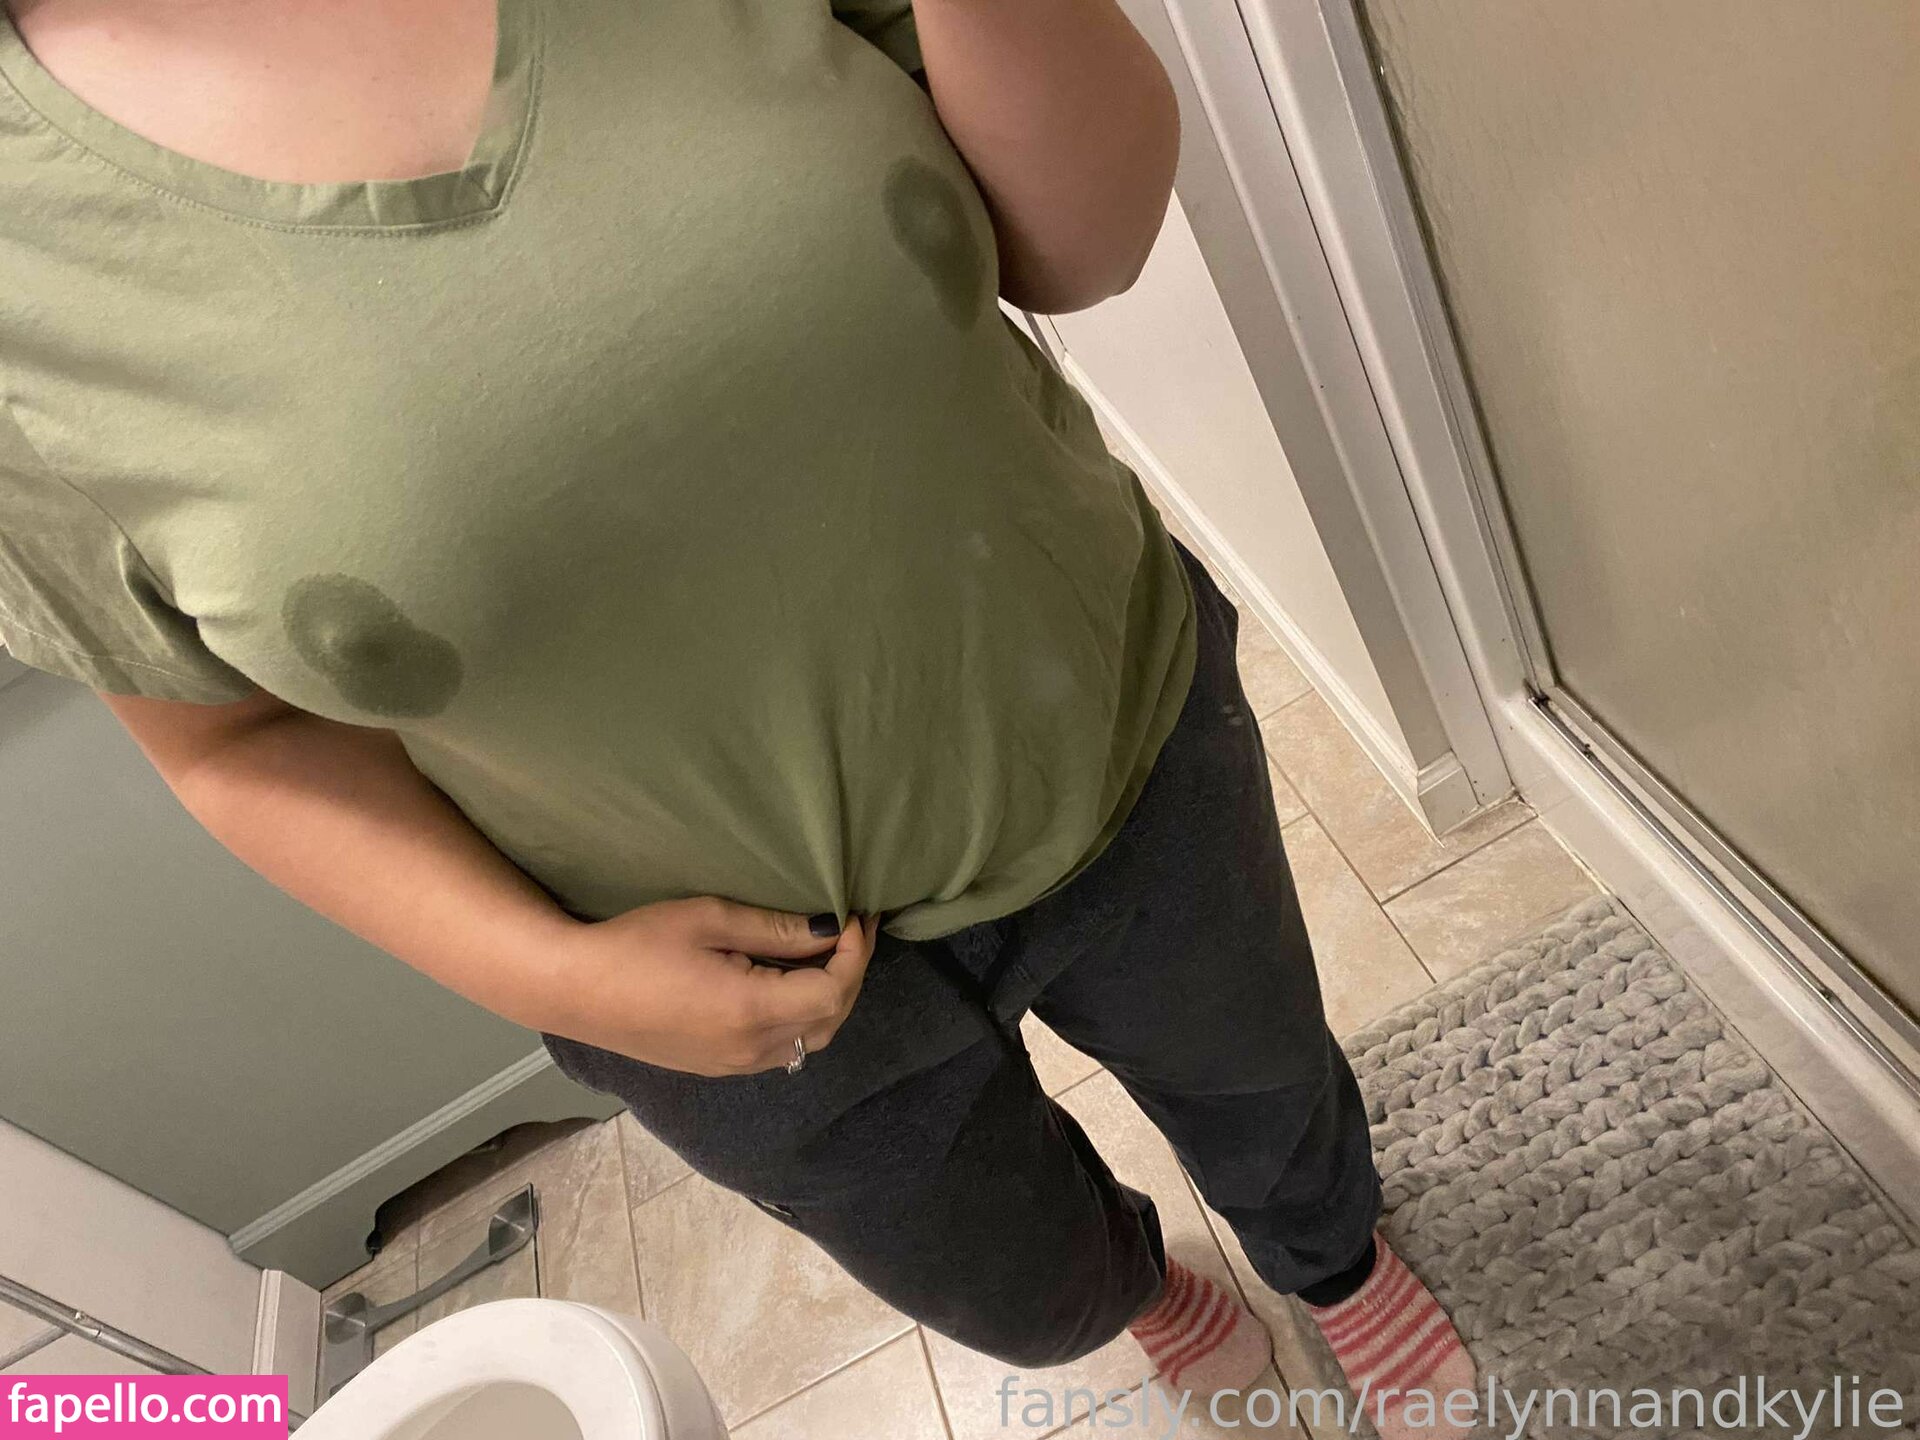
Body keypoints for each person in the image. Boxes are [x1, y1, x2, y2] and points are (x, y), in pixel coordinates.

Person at [0, 0, 1474, 1433]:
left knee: (1266, 1088)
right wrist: (561, 978)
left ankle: (1331, 1261)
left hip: (1101, 734)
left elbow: (1089, 243)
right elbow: (229, 739)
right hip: (709, 981)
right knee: (1030, 1294)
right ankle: (1145, 1291)